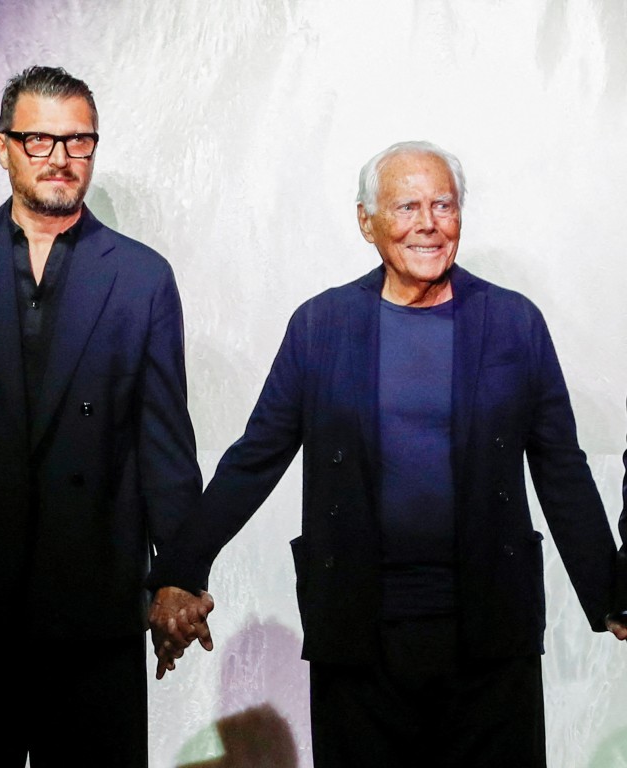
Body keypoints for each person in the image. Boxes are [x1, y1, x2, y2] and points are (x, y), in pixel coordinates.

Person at [148, 141, 626, 767]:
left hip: (490, 632)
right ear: (365, 220)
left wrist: (611, 592)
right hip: (358, 632)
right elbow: (254, 458)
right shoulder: (321, 326)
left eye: (443, 205)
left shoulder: (514, 323)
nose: (427, 223)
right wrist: (181, 570)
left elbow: (561, 466)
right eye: (406, 206)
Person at [0, 65, 202, 767]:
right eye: (40, 140)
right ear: (4, 148)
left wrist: (176, 572)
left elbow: (165, 443)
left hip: (92, 605)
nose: (60, 158)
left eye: (78, 142)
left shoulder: (142, 276)